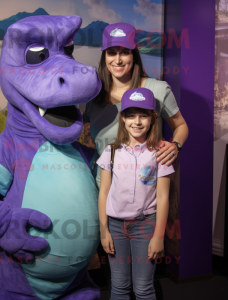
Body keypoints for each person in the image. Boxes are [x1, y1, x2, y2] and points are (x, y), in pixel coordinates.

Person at [82, 24, 188, 296]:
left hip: (147, 198)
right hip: (105, 198)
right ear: (104, 56)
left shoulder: (156, 89)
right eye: (111, 52)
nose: (118, 60)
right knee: (114, 277)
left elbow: (181, 126)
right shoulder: (91, 95)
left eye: (125, 52)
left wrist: (174, 146)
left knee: (146, 279)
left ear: (134, 54)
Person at [96, 87, 174, 300]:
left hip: (145, 226)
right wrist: (104, 231)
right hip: (114, 227)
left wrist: (159, 236)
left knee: (143, 289)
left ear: (153, 117)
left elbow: (163, 197)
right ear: (122, 118)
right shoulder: (111, 152)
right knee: (119, 287)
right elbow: (103, 193)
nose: (137, 121)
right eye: (131, 115)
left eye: (143, 115)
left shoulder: (160, 153)